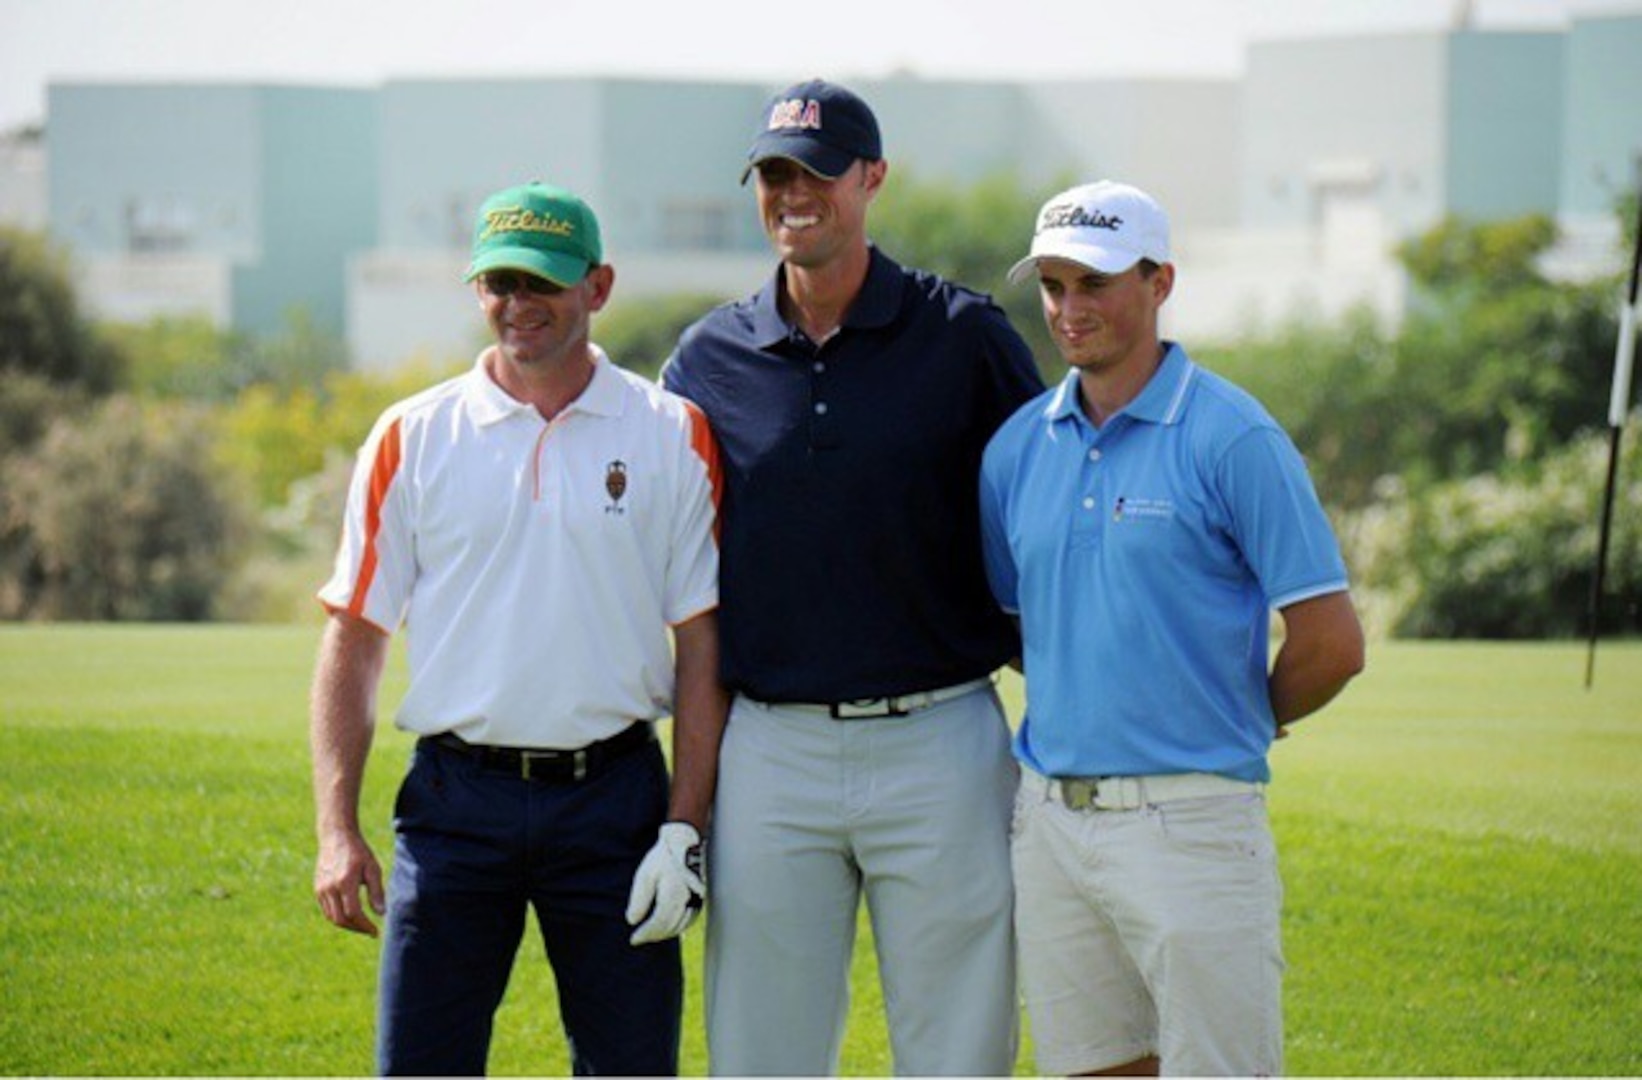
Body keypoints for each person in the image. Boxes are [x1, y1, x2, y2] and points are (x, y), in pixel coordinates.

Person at [660, 78, 1044, 1076]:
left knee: (957, 1048)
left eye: (820, 173)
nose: (796, 194)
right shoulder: (705, 359)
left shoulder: (963, 336)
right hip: (771, 752)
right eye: (775, 174)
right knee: (760, 1052)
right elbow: (671, 569)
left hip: (943, 740)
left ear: (871, 179)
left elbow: (1047, 520)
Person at [309, 180, 728, 1076]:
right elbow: (355, 635)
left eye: (541, 282)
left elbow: (702, 645)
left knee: (630, 1067)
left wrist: (683, 832)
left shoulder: (670, 432)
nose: (517, 304)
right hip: (455, 808)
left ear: (598, 286)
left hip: (615, 800)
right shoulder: (411, 435)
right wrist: (336, 830)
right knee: (422, 1065)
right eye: (498, 282)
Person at [979, 179, 1367, 1077]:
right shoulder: (1013, 450)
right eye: (1055, 285)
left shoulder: (1233, 436)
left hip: (1194, 821)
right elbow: (1018, 626)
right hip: (1051, 822)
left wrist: (1237, 717)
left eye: (1096, 283)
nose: (1070, 310)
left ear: (1160, 282)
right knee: (1093, 1067)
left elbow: (1331, 641)